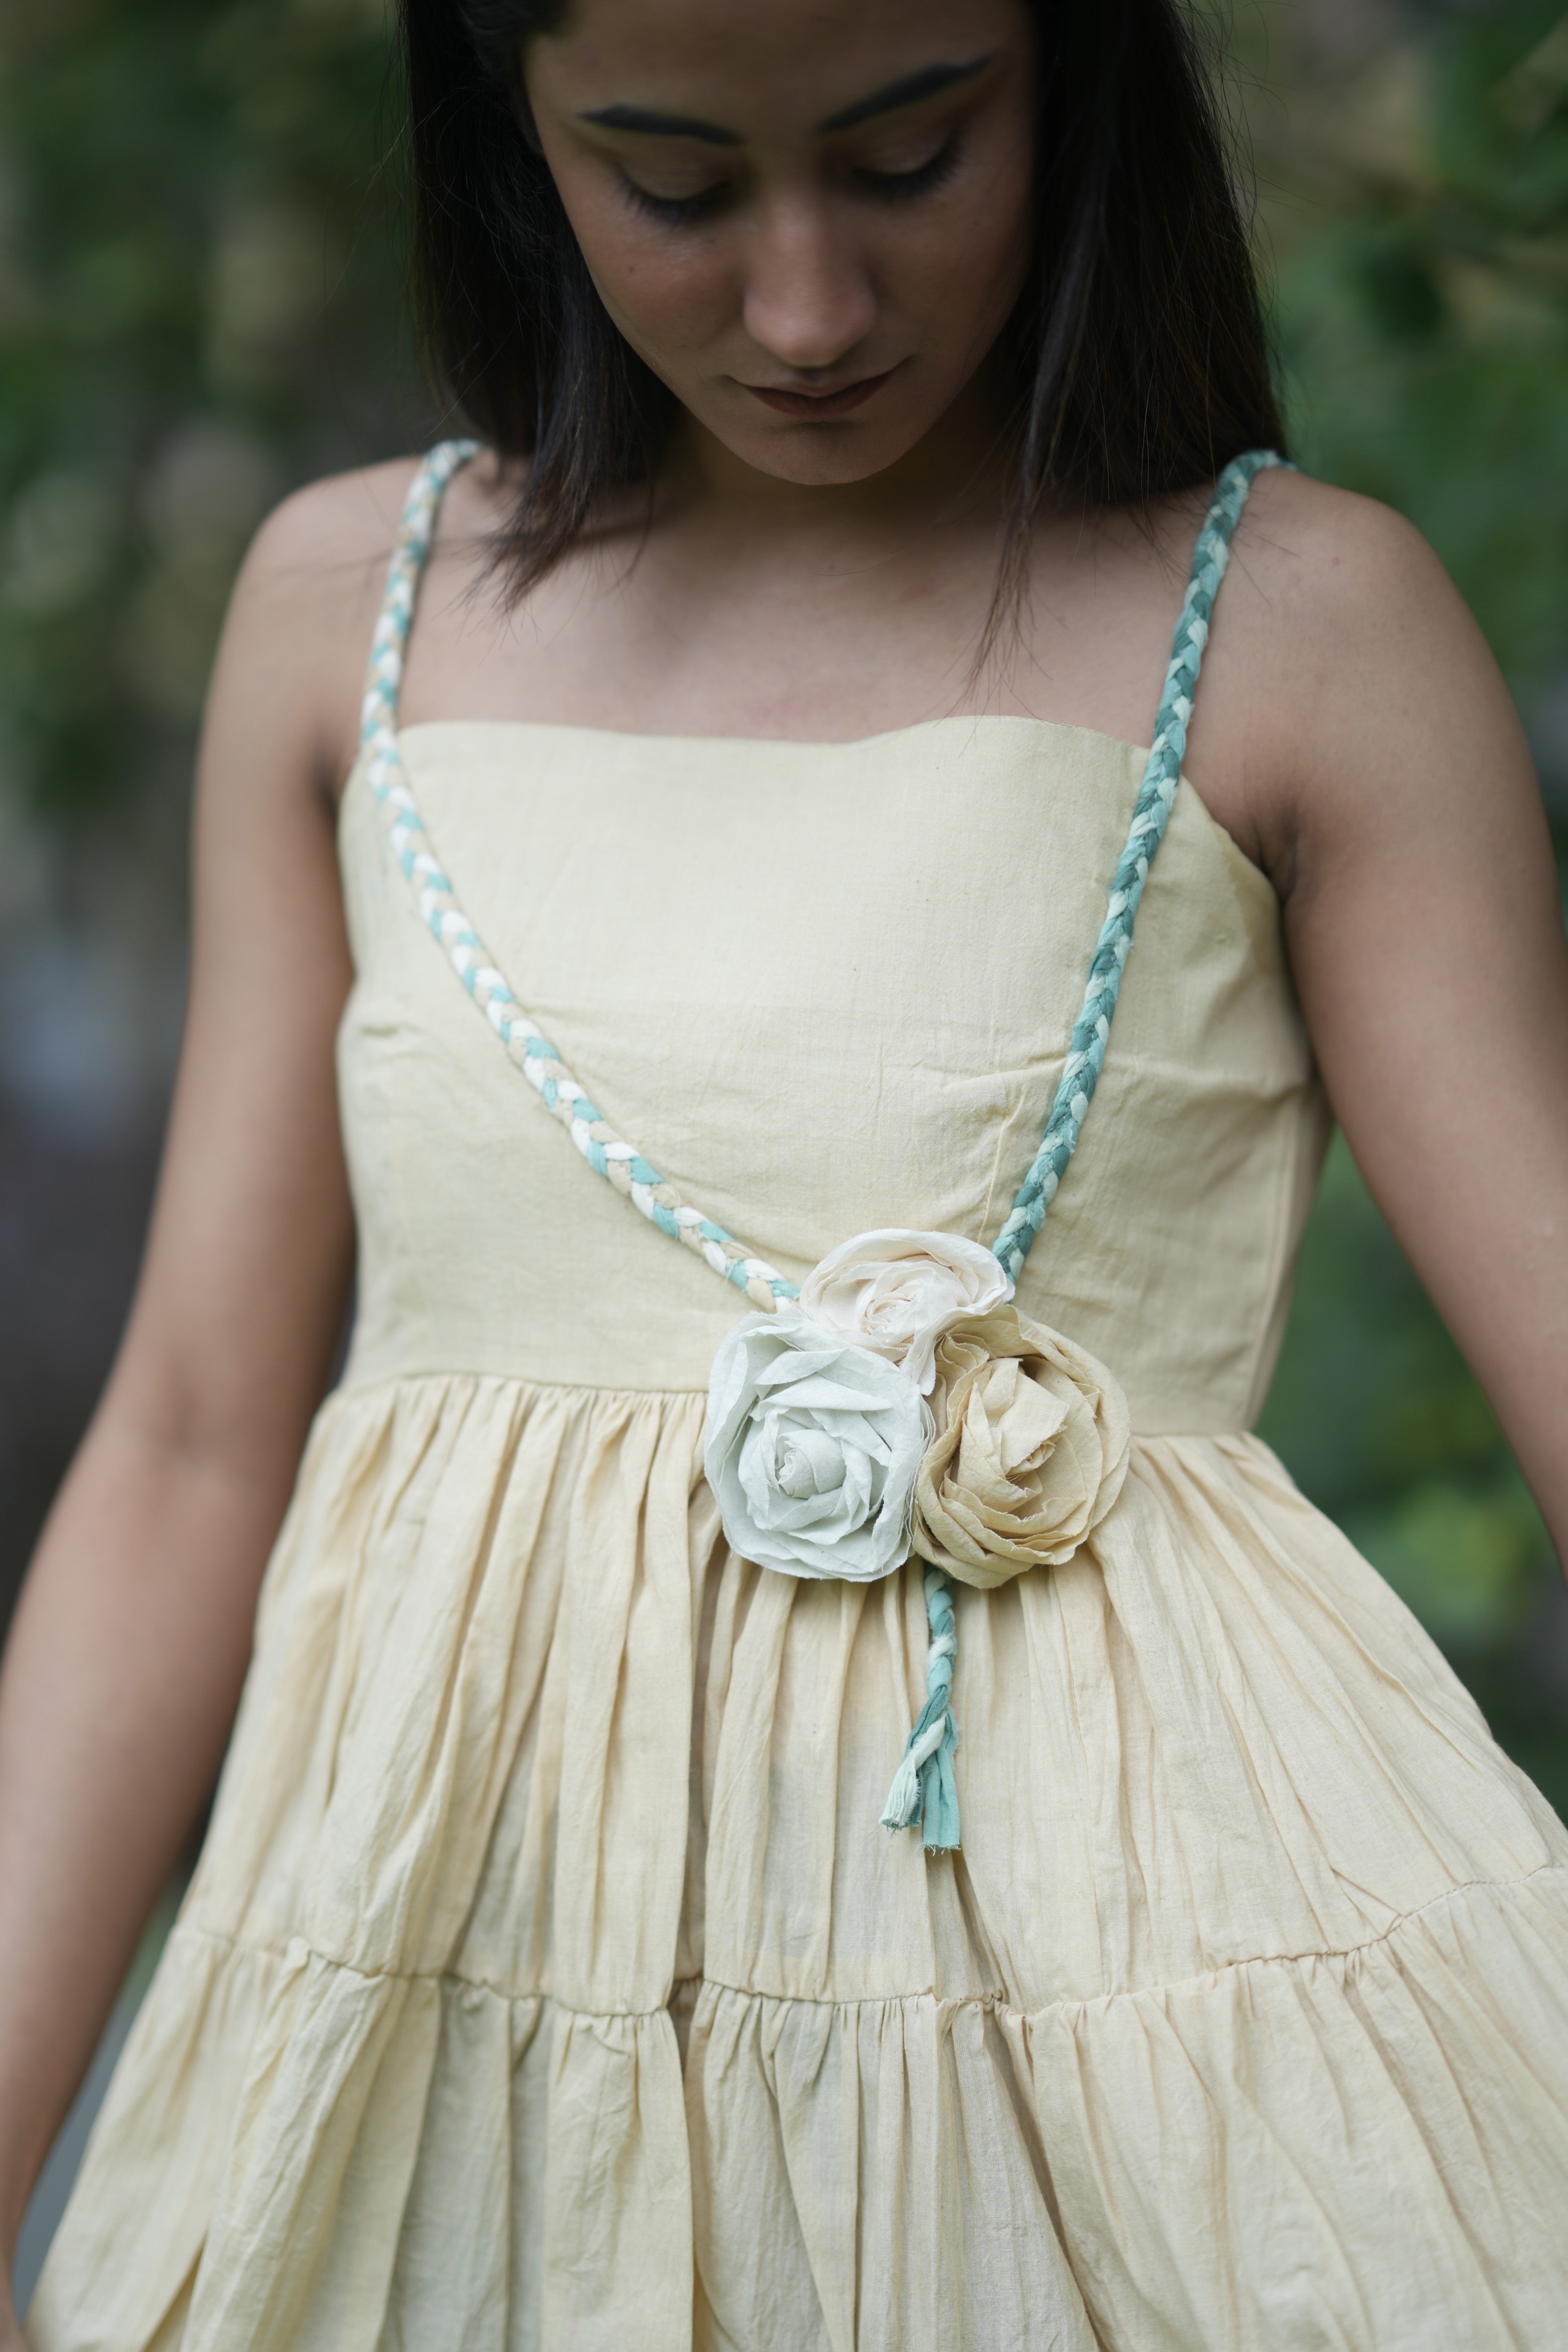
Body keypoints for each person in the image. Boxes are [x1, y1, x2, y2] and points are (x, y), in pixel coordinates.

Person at [4, 0, 1568, 2342]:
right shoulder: (355, 610)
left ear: (1066, 84)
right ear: (507, 132)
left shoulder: (1299, 627)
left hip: (1135, 2055)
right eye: (675, 180)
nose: (810, 304)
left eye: (909, 154)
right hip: (440, 2016)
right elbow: (197, 1434)